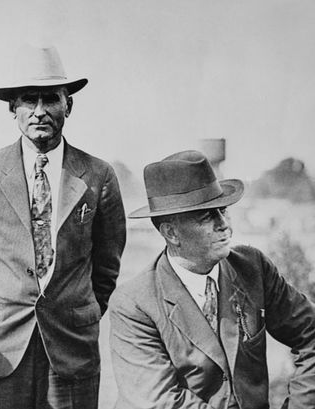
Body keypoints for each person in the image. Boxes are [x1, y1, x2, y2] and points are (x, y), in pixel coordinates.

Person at [0, 44, 126, 409]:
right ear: (12, 108)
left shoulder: (98, 175)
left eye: (50, 99)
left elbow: (107, 264)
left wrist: (76, 310)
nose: (39, 111)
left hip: (70, 346)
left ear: (68, 105)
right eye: (28, 100)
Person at [109, 150, 315, 408]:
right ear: (171, 233)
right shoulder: (133, 304)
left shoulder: (252, 267)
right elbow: (161, 402)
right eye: (207, 216)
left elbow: (311, 334)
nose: (223, 224)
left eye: (223, 210)